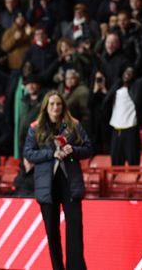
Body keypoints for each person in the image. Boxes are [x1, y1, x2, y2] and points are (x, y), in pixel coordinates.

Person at [23, 91, 92, 270]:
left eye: (58, 104)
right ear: (46, 106)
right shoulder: (35, 127)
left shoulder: (74, 125)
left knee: (75, 230)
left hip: (70, 184)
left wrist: (74, 150)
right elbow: (28, 153)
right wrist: (50, 154)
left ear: (63, 106)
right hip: (47, 186)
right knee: (52, 233)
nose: (55, 107)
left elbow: (88, 148)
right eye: (52, 104)